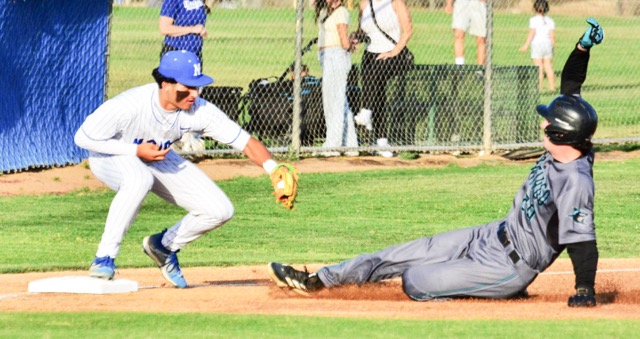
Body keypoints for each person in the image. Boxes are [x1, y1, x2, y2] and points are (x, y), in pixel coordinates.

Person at [268, 19, 604, 307]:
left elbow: (583, 241)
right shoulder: (572, 137)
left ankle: (487, 291)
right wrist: (582, 48)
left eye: (549, 122)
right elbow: (571, 85)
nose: (543, 123)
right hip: (489, 235)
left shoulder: (576, 181)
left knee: (416, 281)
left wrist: (584, 289)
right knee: (403, 253)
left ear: (562, 134)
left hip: (507, 268)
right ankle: (317, 280)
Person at [75, 50, 288, 288]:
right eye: (187, 87)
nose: (194, 93)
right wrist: (135, 151)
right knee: (139, 179)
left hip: (157, 157)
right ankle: (104, 258)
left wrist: (274, 169)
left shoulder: (199, 110)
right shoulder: (130, 105)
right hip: (111, 157)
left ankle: (163, 246)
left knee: (220, 210)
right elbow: (83, 138)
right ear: (165, 84)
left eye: (197, 87)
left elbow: (244, 141)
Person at [350, 0, 413, 158]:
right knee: (377, 96)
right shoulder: (365, 3)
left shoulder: (395, 2)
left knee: (376, 73)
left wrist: (393, 52)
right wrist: (356, 37)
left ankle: (365, 112)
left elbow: (408, 30)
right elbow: (362, 30)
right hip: (371, 54)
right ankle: (382, 142)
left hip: (395, 54)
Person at [316, 0, 359, 157]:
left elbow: (343, 38)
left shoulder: (340, 12)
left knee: (335, 101)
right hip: (327, 56)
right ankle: (351, 145)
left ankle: (333, 145)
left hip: (335, 56)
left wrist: (350, 45)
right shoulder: (326, 11)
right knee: (339, 101)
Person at [519, 0, 556, 92]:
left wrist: (526, 45)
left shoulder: (533, 20)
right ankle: (552, 86)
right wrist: (553, 46)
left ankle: (539, 87)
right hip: (547, 44)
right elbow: (552, 35)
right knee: (548, 66)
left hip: (537, 44)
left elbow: (532, 33)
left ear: (534, 8)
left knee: (538, 67)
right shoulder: (550, 20)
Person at [445, 0, 486, 65]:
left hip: (478, 3)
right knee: (458, 34)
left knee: (481, 39)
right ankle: (459, 67)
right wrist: (449, 3)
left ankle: (480, 70)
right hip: (461, 3)